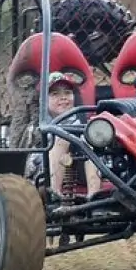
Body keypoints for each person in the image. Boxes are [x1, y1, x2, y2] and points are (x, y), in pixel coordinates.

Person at [43, 72, 103, 200]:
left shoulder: (82, 122)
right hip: (43, 168)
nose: (63, 97)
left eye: (67, 93)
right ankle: (54, 195)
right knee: (62, 138)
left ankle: (93, 197)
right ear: (44, 100)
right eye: (55, 94)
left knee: (90, 139)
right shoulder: (38, 124)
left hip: (78, 167)